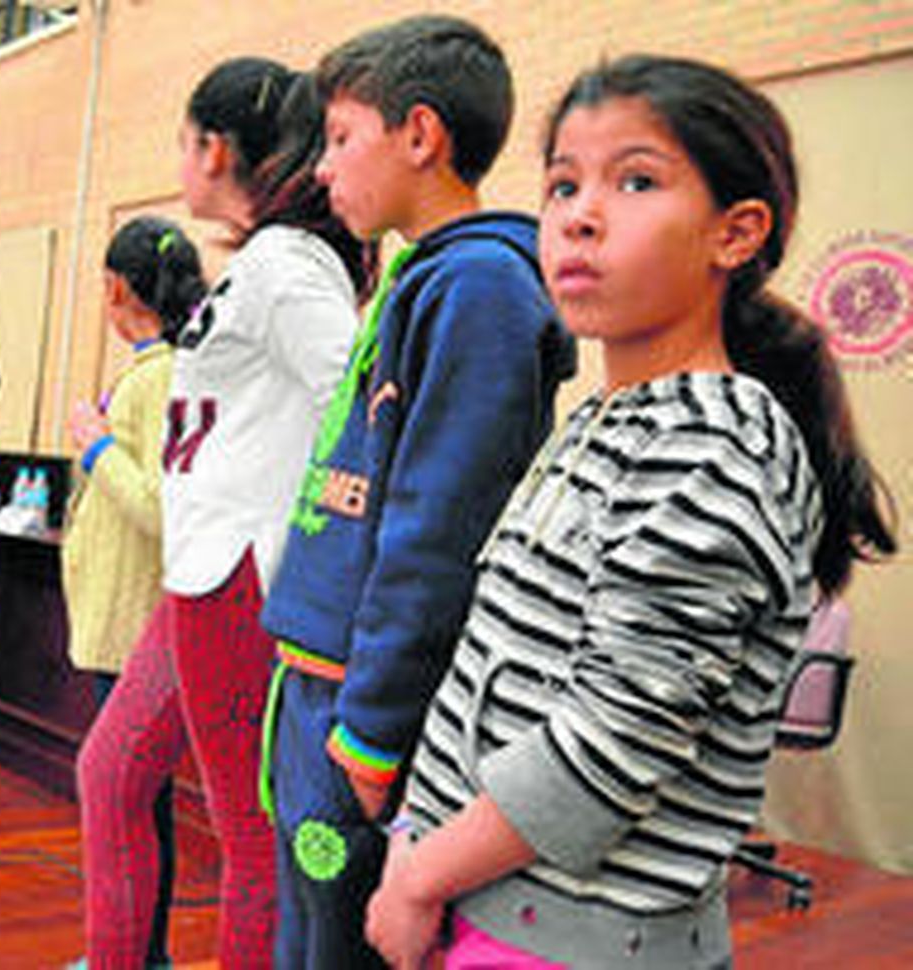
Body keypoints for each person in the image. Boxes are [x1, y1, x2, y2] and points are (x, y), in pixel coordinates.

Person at [367, 55, 898, 970]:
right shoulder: (611, 419)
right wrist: (416, 836)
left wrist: (418, 877)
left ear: (736, 234)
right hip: (485, 897)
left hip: (568, 938)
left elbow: (611, 742)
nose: (578, 213)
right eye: (563, 184)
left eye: (636, 180)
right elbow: (500, 663)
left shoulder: (716, 447)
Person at [255, 18, 576, 967]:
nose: (322, 168)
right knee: (304, 934)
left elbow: (435, 531)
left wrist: (371, 734)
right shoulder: (419, 278)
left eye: (341, 137)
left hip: (367, 704)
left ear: (421, 137)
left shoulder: (478, 287)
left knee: (340, 945)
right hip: (318, 683)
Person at [77, 60, 365, 968]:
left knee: (248, 832)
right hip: (203, 567)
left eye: (184, 140)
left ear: (215, 147)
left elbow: (353, 404)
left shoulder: (287, 268)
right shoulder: (264, 264)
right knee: (110, 774)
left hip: (242, 573)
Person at [63, 217, 205, 967]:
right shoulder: (157, 370)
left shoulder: (167, 376)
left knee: (135, 804)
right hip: (120, 617)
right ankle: (133, 949)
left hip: (136, 623)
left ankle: (139, 953)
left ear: (117, 287)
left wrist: (94, 442)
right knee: (136, 799)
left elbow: (158, 504)